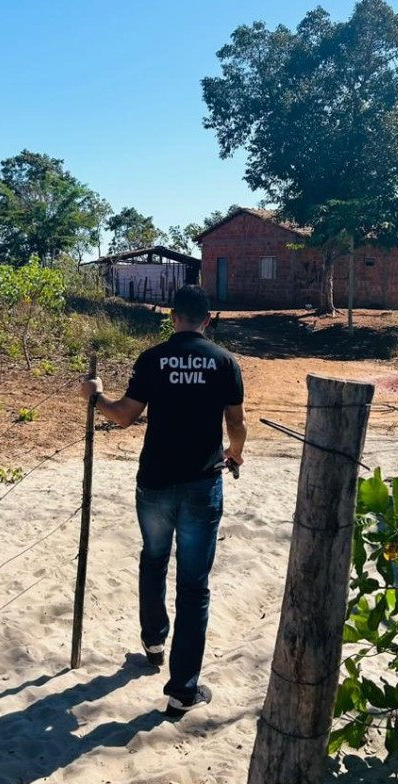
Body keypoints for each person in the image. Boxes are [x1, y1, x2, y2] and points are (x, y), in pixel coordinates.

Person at [78, 285, 246, 717]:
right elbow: (237, 424)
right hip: (201, 484)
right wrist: (235, 453)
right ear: (208, 319)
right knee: (194, 585)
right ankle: (182, 690)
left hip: (154, 480)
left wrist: (95, 396)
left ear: (174, 318)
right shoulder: (225, 362)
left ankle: (153, 640)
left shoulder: (153, 359)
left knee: (154, 558)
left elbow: (124, 415)